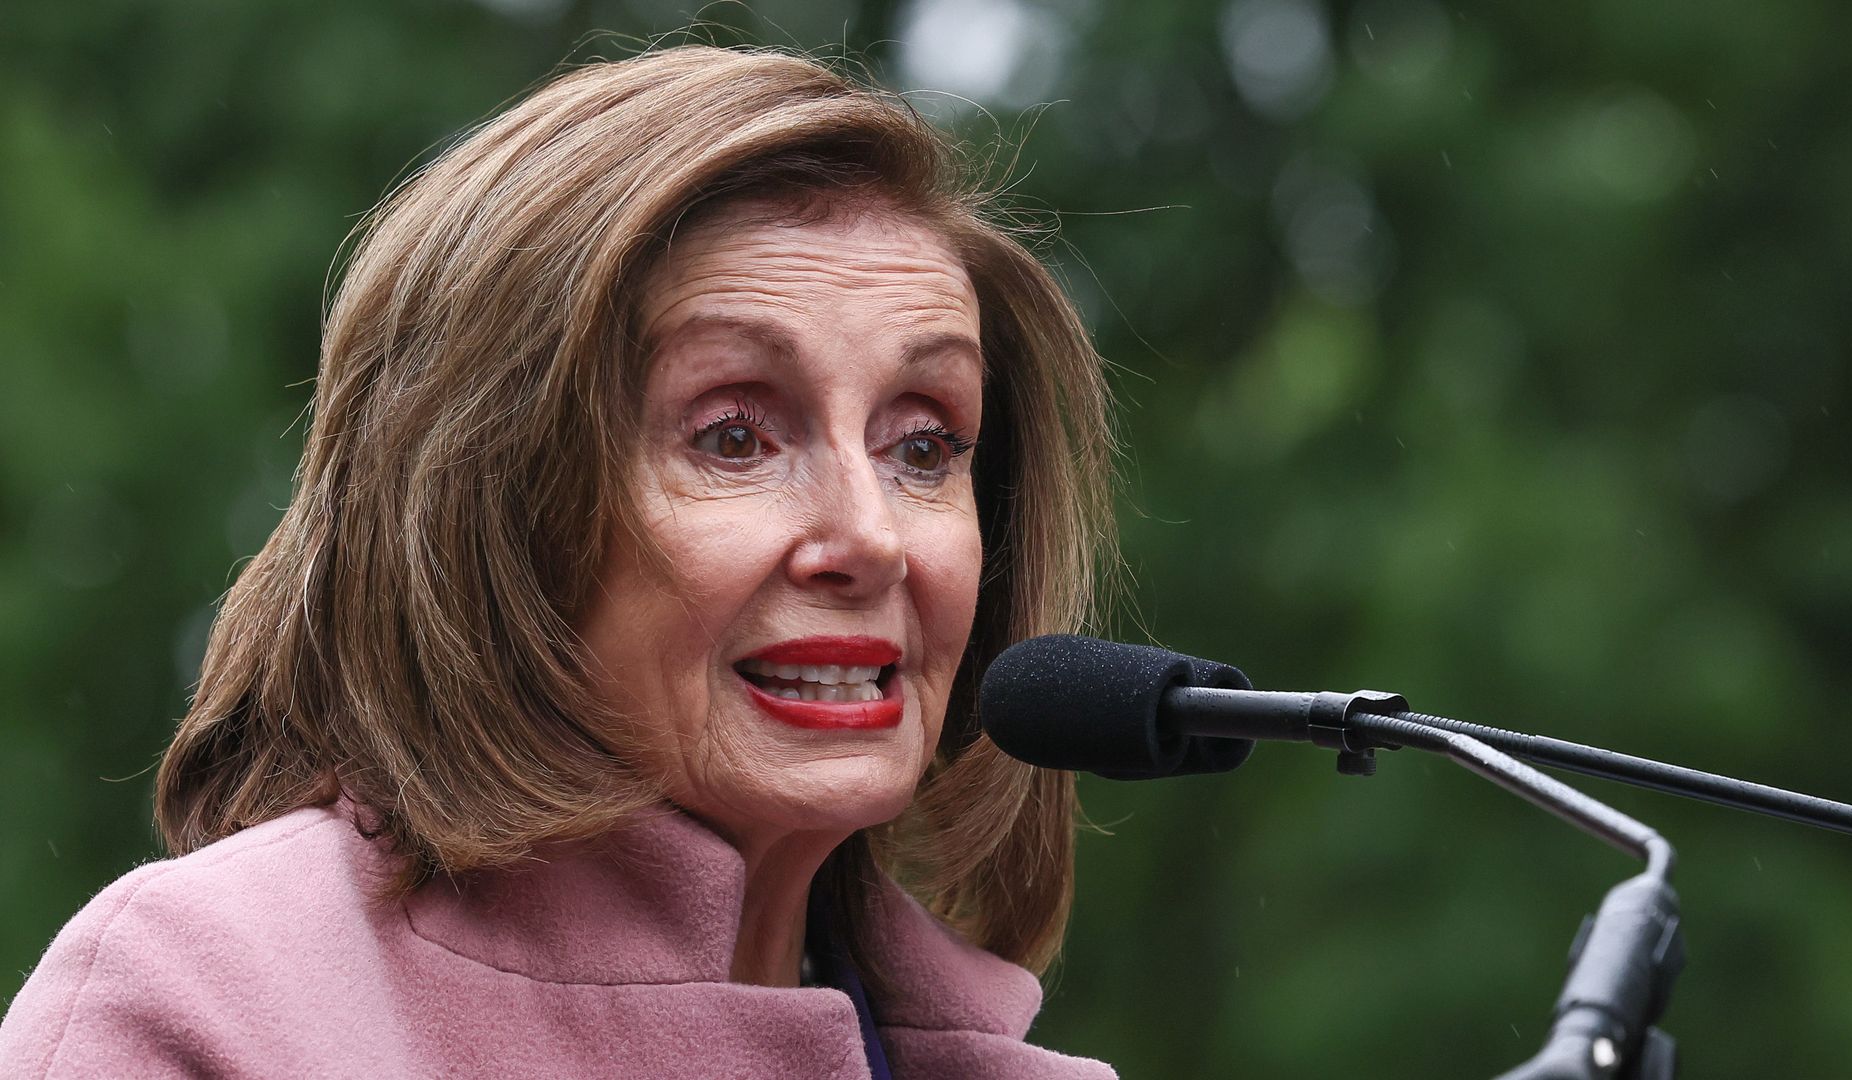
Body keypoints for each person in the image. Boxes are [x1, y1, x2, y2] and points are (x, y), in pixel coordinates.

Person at [0, 45, 1118, 1079]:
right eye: (734, 435)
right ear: (491, 506)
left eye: (924, 446)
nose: (869, 539)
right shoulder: (203, 1004)